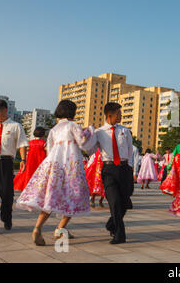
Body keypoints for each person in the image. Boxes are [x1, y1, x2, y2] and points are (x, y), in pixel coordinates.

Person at [16, 100, 95, 246]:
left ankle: (37, 228)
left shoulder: (54, 129)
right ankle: (60, 228)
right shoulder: (73, 126)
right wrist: (90, 130)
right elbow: (83, 142)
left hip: (54, 165)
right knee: (73, 197)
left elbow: (49, 150)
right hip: (71, 165)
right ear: (72, 112)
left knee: (51, 198)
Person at [88, 102, 134, 244]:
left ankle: (111, 224)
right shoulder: (98, 133)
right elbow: (89, 150)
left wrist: (132, 170)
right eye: (119, 114)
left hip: (124, 169)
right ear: (110, 115)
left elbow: (130, 151)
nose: (121, 116)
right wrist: (87, 135)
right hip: (109, 170)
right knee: (114, 201)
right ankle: (119, 234)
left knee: (125, 203)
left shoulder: (125, 131)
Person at [0, 99, 28, 234]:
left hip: (5, 162)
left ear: (5, 110)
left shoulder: (16, 126)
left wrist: (23, 159)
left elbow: (22, 144)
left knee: (6, 194)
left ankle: (6, 217)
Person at [13, 127, 47, 192]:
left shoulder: (30, 142)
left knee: (28, 173)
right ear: (43, 134)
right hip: (40, 161)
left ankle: (27, 187)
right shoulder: (44, 143)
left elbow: (26, 149)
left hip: (30, 161)